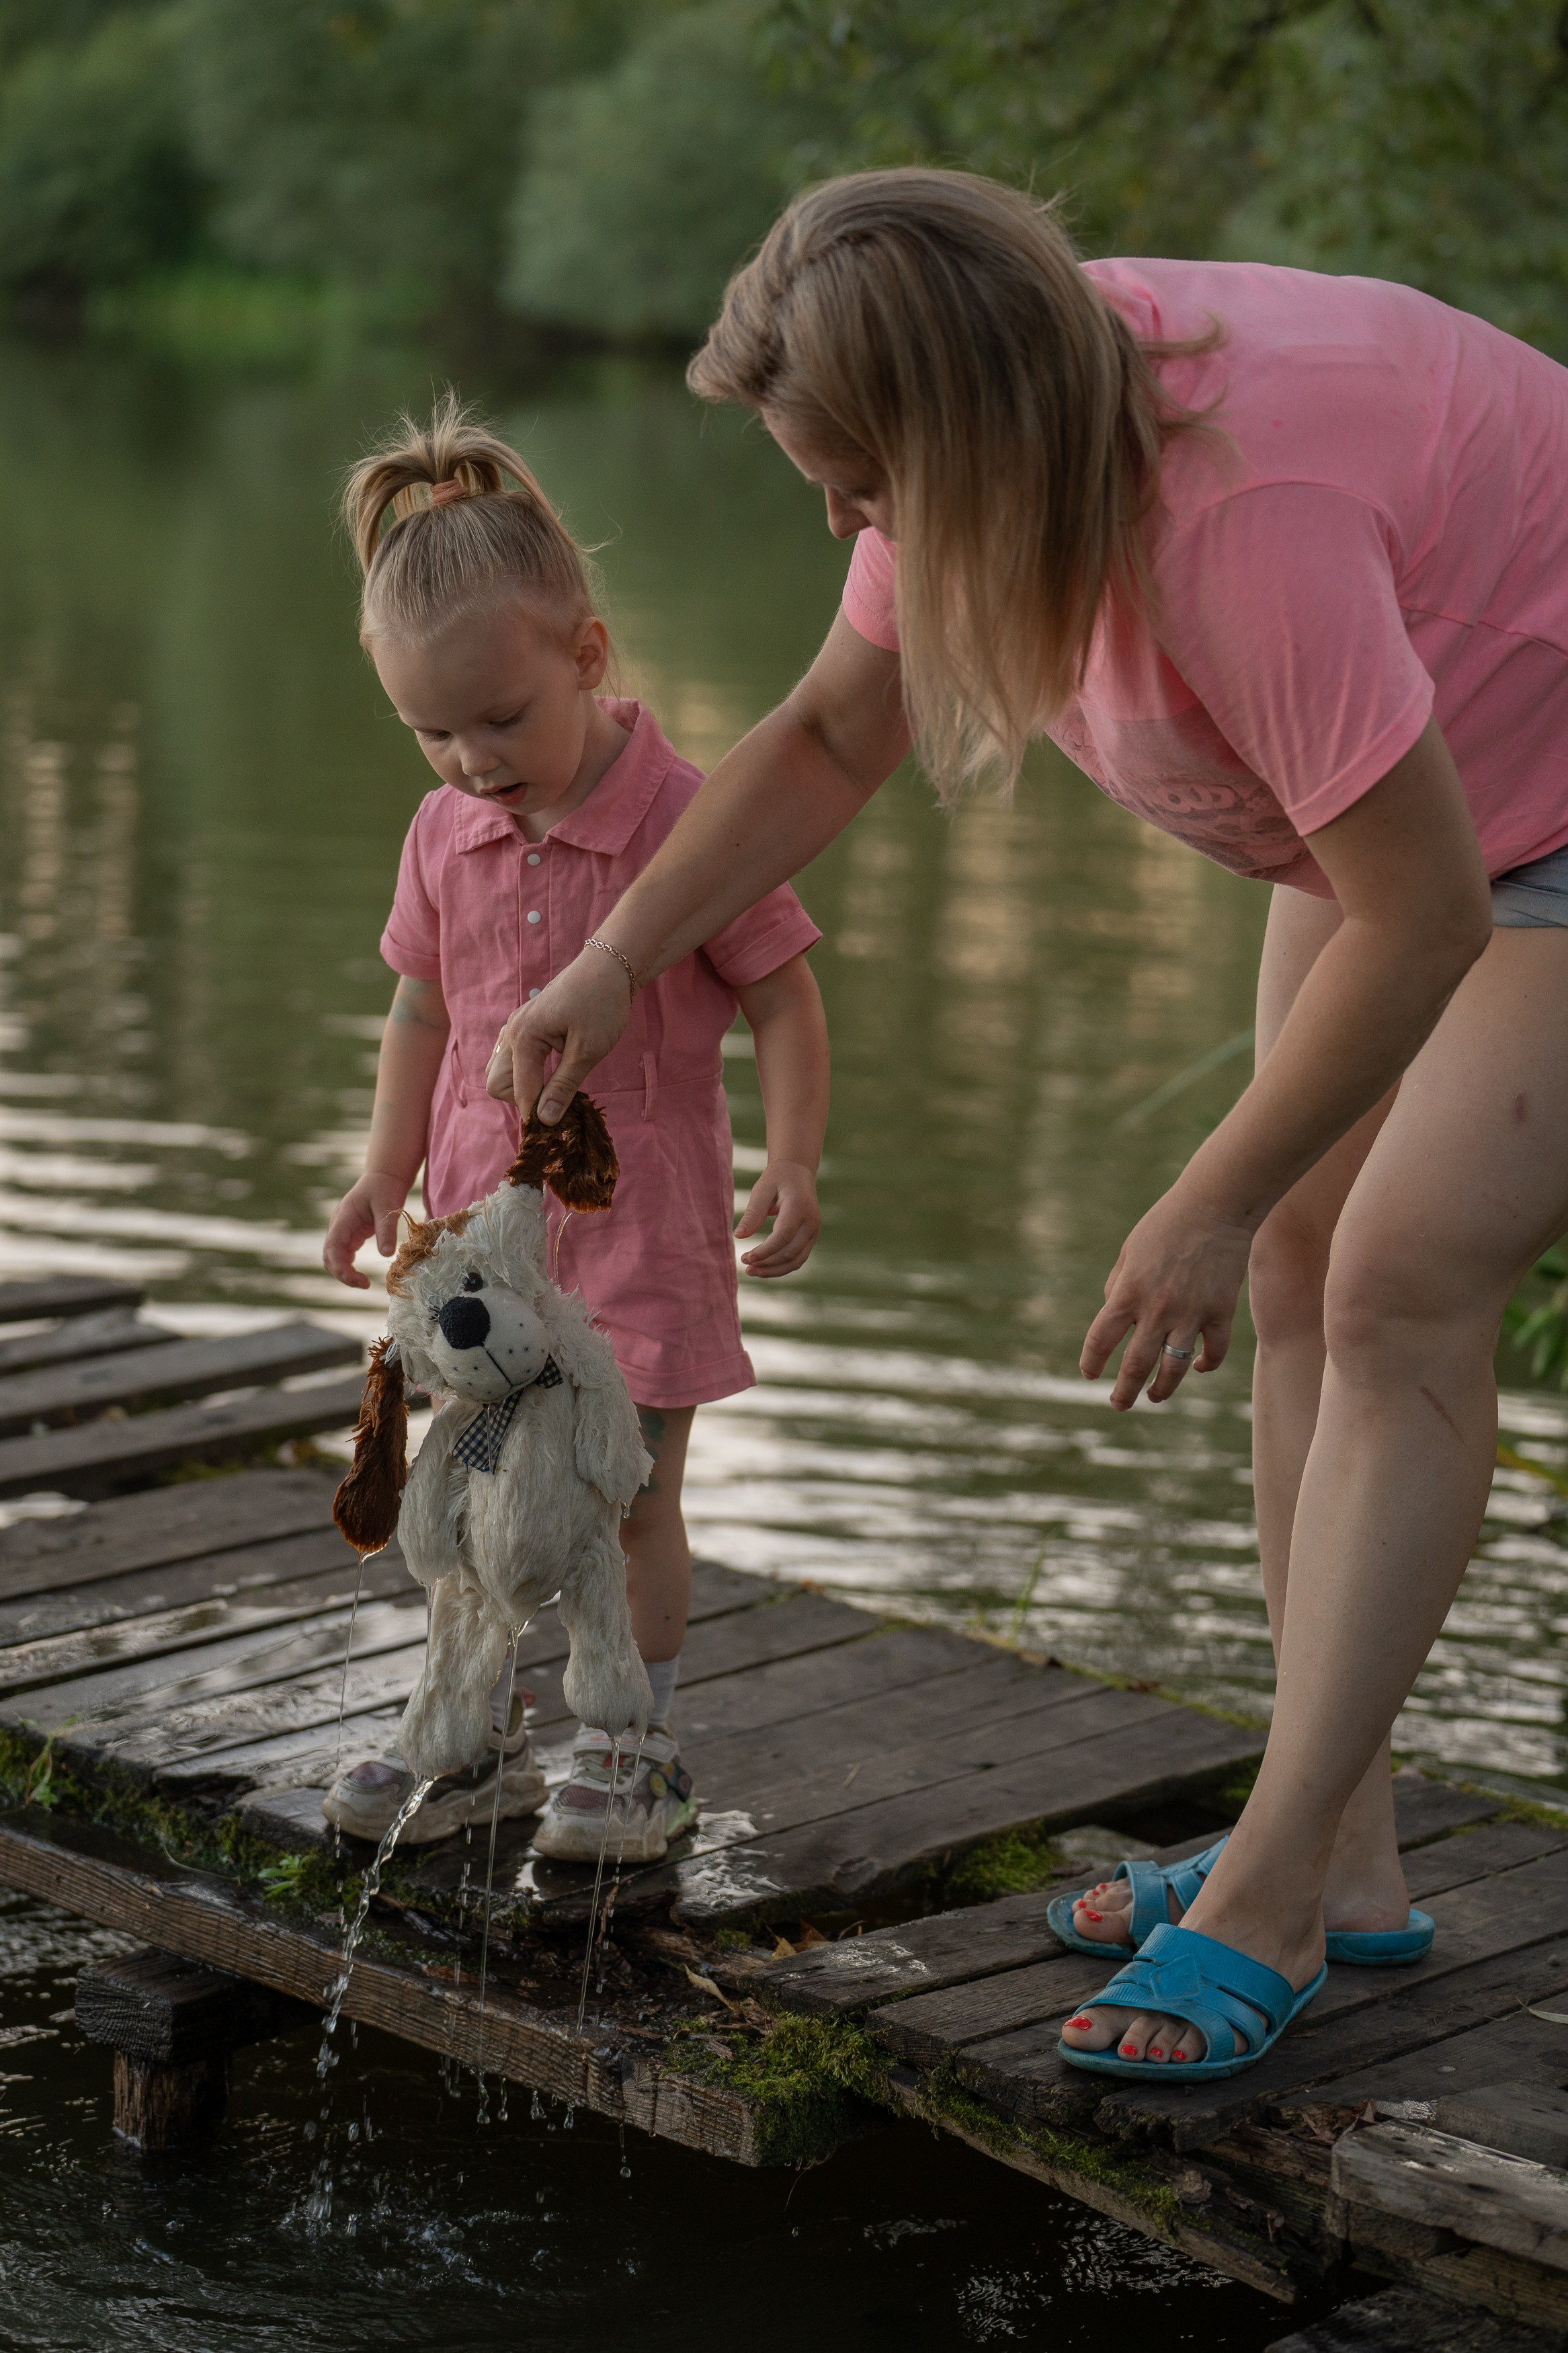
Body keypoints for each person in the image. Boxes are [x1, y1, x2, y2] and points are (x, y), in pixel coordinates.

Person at [485, 169, 1568, 2076]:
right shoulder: (992, 426)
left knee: (1393, 1289)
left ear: (966, 433)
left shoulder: (1244, 515)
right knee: (1304, 1262)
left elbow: (1422, 917)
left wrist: (1198, 1197)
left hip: (1510, 819)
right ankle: (1337, 1854)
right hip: (1415, 786)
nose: (843, 526)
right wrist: (618, 956)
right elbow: (833, 730)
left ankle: (1264, 1897)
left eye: (862, 487)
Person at [320, 397, 829, 1858]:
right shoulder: (443, 831)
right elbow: (421, 1008)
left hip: (645, 1234)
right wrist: (384, 1169)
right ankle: (473, 1731)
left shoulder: (691, 817)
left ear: (589, 655)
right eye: (431, 732)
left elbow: (786, 996)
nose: (470, 759)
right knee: (473, 1491)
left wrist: (794, 1159)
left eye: (501, 719)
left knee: (629, 1495)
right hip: (485, 1251)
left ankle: (631, 1749)